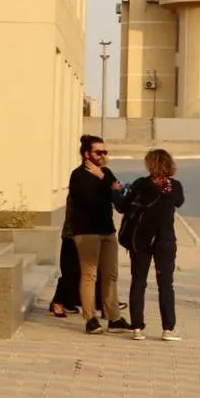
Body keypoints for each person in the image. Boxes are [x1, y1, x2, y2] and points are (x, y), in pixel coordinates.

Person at [67, 135, 132, 334]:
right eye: (98, 152)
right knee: (90, 275)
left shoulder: (106, 173)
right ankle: (90, 319)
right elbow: (91, 202)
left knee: (111, 275)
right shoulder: (78, 175)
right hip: (87, 232)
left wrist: (105, 179)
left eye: (105, 152)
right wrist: (108, 185)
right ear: (87, 154)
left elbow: (118, 197)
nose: (103, 155)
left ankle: (114, 318)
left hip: (107, 230)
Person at [118, 149, 184, 341]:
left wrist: (117, 192)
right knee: (166, 284)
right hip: (165, 240)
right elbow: (179, 202)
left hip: (141, 240)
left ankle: (137, 327)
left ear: (150, 164)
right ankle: (168, 329)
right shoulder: (175, 186)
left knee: (138, 282)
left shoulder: (141, 184)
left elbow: (123, 207)